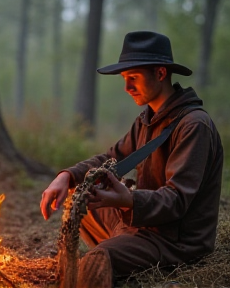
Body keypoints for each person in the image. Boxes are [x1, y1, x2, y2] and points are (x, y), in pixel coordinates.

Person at [40, 31, 223, 288]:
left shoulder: (194, 126)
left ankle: (114, 252)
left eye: (133, 78)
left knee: (96, 260)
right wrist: (67, 176)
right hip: (145, 224)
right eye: (125, 79)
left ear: (160, 73)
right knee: (78, 203)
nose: (127, 88)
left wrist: (127, 200)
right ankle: (123, 244)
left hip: (176, 240)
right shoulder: (147, 120)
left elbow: (177, 200)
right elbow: (112, 158)